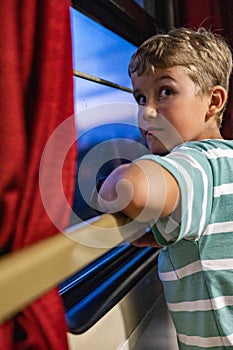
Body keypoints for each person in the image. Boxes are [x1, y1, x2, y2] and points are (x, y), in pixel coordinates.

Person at [98, 28, 233, 349]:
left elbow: (133, 188)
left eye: (166, 92)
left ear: (213, 101)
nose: (147, 111)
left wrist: (113, 180)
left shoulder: (197, 161)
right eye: (141, 98)